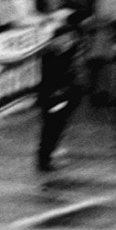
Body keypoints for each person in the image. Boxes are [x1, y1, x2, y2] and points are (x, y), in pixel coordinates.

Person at [36, 17, 84, 172]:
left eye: (72, 38)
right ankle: (44, 159)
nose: (69, 41)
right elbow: (49, 77)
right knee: (51, 127)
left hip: (67, 95)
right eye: (66, 38)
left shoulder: (70, 51)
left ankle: (49, 156)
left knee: (59, 127)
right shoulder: (49, 54)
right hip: (53, 96)